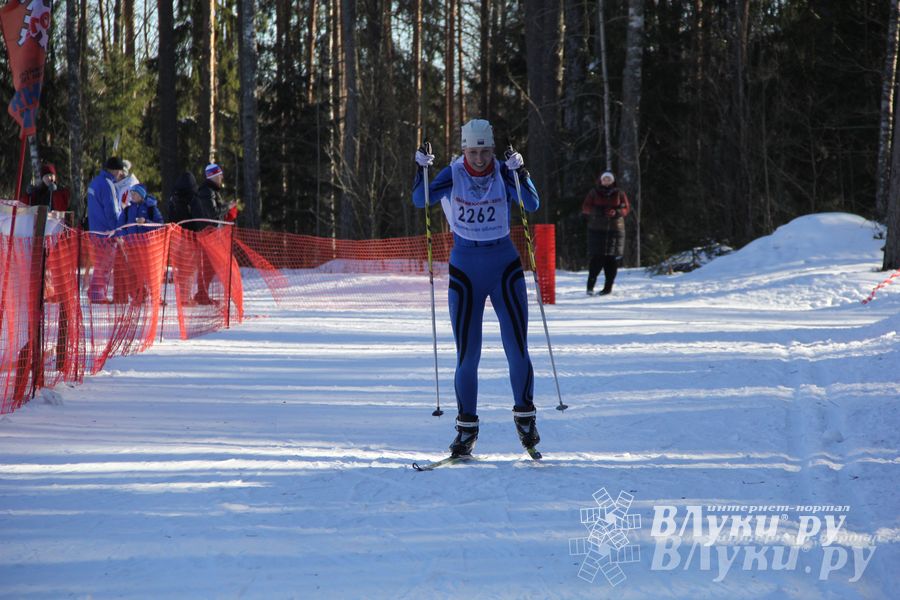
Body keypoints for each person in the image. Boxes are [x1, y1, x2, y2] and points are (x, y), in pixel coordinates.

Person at [412, 118, 541, 457]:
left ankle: (526, 419)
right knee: (468, 355)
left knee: (517, 348)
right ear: (464, 149)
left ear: (492, 149)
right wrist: (421, 170)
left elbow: (532, 205)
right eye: (473, 151)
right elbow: (419, 199)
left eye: (485, 151)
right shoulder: (453, 173)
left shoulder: (503, 170)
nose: (480, 158)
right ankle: (466, 429)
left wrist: (522, 172)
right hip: (466, 270)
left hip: (504, 269)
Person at [189, 163, 234, 304]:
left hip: (210, 234)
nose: (222, 178)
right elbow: (213, 214)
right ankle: (202, 294)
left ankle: (203, 293)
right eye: (219, 175)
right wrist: (229, 206)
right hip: (208, 235)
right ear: (214, 176)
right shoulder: (208, 191)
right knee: (208, 266)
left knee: (211, 266)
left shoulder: (211, 191)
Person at [581, 170, 630, 296]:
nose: (606, 181)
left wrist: (617, 212)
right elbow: (586, 208)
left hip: (615, 231)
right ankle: (590, 287)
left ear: (613, 181)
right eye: (604, 179)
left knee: (611, 260)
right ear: (601, 180)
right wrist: (599, 211)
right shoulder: (593, 192)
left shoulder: (619, 193)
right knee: (596, 259)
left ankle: (608, 288)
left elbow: (626, 208)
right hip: (597, 231)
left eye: (609, 179)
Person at [86, 157, 127, 302]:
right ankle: (98, 295)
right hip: (106, 232)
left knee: (99, 264)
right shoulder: (108, 185)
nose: (121, 174)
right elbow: (112, 211)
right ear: (115, 170)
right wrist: (118, 231)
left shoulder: (95, 182)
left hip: (95, 229)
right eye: (120, 170)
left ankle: (94, 292)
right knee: (104, 265)